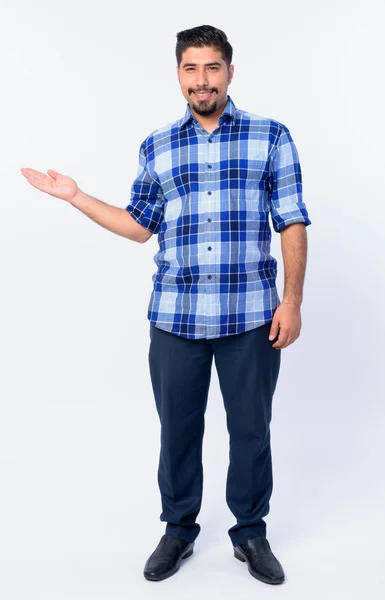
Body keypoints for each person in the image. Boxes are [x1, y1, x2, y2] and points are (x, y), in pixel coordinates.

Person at [20, 24, 311, 585]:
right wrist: (76, 196)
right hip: (175, 317)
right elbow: (138, 227)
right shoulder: (158, 145)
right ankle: (179, 529)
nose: (202, 80)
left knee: (251, 427)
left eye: (212, 67)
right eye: (190, 68)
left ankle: (250, 531)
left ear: (230, 71)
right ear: (178, 74)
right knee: (178, 427)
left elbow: (292, 220)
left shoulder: (271, 135)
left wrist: (292, 301)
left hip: (250, 314)